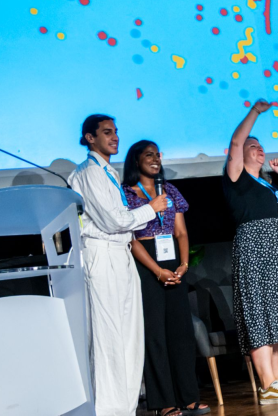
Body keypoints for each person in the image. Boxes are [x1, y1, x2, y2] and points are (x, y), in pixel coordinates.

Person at [68, 115, 168, 416]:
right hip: (102, 253)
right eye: (106, 132)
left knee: (129, 335)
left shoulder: (106, 171)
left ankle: (125, 407)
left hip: (120, 252)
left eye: (115, 132)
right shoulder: (89, 172)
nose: (114, 137)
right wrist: (150, 208)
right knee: (108, 335)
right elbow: (113, 221)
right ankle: (108, 409)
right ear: (90, 138)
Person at [222, 100, 278, 406]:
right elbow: (236, 142)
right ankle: (267, 384)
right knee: (259, 311)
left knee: (277, 312)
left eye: (261, 146)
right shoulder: (237, 178)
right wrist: (255, 113)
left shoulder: (267, 185)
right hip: (254, 248)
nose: (259, 149)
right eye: (253, 146)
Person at [121, 141, 210, 416]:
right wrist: (157, 271)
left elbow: (181, 232)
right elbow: (131, 239)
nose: (155, 159)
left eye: (157, 155)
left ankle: (188, 397)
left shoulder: (170, 190)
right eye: (149, 155)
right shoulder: (126, 193)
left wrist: (183, 265)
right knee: (155, 335)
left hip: (172, 260)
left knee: (181, 332)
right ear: (136, 160)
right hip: (146, 264)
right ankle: (164, 402)